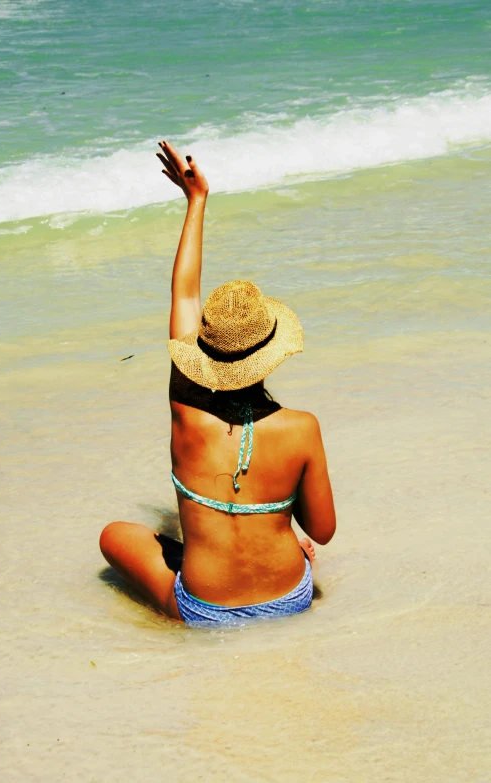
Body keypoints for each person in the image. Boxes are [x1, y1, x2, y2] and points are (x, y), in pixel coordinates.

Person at [99, 141, 336, 626]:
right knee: (291, 530)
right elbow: (323, 531)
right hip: (291, 596)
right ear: (270, 354)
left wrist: (195, 201)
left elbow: (184, 291)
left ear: (204, 353)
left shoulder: (186, 411)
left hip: (203, 610)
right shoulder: (302, 428)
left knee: (113, 535)